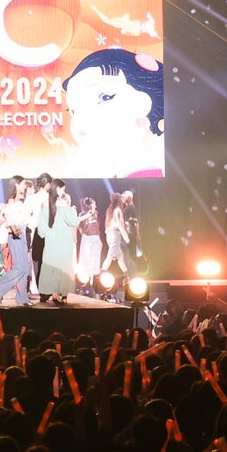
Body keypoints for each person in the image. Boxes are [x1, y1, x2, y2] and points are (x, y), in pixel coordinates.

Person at [62, 47, 166, 178]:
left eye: (105, 97)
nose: (80, 121)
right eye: (73, 110)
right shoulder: (110, 179)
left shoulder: (152, 179)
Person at [0, 179, 36, 307]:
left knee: (25, 268)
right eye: (23, 184)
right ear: (17, 184)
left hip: (22, 232)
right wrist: (13, 227)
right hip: (16, 233)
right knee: (20, 267)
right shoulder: (12, 200)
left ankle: (22, 298)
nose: (25, 187)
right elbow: (7, 215)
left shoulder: (24, 199)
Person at [36, 181, 79, 303]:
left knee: (53, 265)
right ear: (58, 188)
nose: (63, 192)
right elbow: (72, 222)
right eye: (62, 189)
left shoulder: (45, 203)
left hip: (51, 239)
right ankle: (63, 295)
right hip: (63, 238)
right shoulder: (62, 203)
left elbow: (41, 226)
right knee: (64, 266)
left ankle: (55, 293)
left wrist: (45, 234)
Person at [74, 197, 102, 290]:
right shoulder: (82, 214)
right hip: (87, 237)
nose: (95, 205)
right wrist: (84, 235)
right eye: (94, 203)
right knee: (85, 258)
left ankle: (94, 281)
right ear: (89, 205)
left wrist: (99, 239)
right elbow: (79, 226)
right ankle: (83, 281)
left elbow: (97, 226)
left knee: (95, 258)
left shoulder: (96, 213)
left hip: (95, 237)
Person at [105, 192, 132, 275]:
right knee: (110, 256)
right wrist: (126, 238)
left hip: (110, 234)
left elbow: (106, 226)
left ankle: (127, 275)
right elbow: (120, 225)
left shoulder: (109, 210)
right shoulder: (118, 210)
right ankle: (101, 272)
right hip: (115, 234)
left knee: (120, 257)